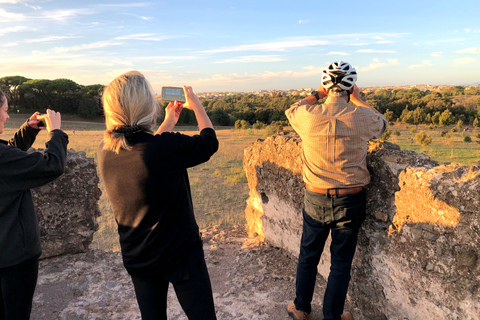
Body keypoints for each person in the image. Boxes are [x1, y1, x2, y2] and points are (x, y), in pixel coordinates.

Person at [97, 71, 218, 320]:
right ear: (145, 105)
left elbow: (146, 150)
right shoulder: (164, 149)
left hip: (139, 257)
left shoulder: (105, 151)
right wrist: (197, 106)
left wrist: (168, 122)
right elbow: (209, 142)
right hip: (180, 256)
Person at [285, 61, 388, 320]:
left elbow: (292, 109)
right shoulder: (362, 117)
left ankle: (301, 308)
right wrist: (360, 100)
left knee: (308, 255)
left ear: (326, 86)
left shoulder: (307, 116)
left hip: (316, 197)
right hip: (351, 199)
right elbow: (382, 124)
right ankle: (332, 316)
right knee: (340, 263)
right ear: (350, 87)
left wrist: (317, 94)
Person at [0, 90, 69, 320]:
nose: (7, 117)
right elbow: (52, 165)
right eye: (5, 110)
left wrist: (28, 130)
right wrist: (57, 133)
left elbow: (10, 157)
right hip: (13, 261)